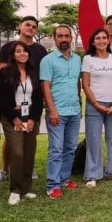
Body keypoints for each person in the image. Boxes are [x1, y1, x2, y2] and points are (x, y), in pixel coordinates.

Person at [0, 16, 48, 183]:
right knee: (12, 141)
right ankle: (5, 169)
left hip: (32, 100)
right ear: (20, 26)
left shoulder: (40, 50)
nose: (30, 28)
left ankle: (27, 170)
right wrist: (10, 106)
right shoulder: (7, 48)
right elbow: (3, 77)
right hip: (13, 104)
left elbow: (42, 75)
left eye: (34, 26)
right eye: (27, 25)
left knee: (29, 139)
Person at [0, 41, 43, 205]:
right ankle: (15, 190)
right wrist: (14, 117)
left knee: (29, 152)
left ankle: (27, 188)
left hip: (30, 117)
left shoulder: (33, 72)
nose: (22, 54)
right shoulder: (6, 72)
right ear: (13, 55)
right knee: (18, 152)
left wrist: (32, 119)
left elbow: (37, 98)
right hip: (11, 117)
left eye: (25, 51)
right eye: (18, 51)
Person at [40, 25, 82, 199]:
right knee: (56, 149)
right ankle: (53, 185)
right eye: (60, 36)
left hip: (74, 110)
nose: (64, 39)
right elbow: (46, 87)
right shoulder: (48, 60)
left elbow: (77, 83)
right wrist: (52, 110)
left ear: (71, 38)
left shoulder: (77, 59)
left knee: (70, 148)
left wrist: (79, 101)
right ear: (55, 38)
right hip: (57, 112)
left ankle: (64, 179)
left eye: (67, 36)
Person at [82, 28, 112, 187]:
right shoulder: (88, 59)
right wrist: (96, 104)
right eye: (98, 38)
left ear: (108, 40)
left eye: (104, 38)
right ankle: (93, 174)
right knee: (94, 140)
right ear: (93, 42)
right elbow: (85, 85)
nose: (101, 41)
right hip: (95, 105)